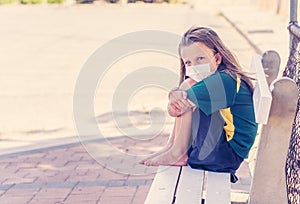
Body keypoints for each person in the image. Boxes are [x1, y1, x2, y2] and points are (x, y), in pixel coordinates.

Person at [140, 27, 258, 182]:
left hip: (225, 155)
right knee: (187, 89)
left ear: (217, 59)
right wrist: (174, 98)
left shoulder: (224, 81)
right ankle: (173, 146)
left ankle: (178, 150)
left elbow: (179, 101)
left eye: (200, 58)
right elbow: (175, 106)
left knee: (187, 89)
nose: (194, 66)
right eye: (188, 62)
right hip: (224, 152)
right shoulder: (223, 76)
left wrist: (175, 98)